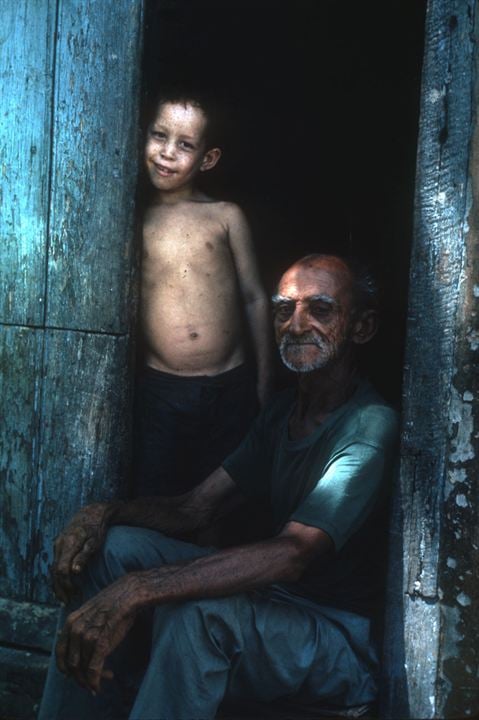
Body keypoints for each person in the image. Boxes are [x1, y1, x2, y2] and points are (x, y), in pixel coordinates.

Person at [39, 254, 399, 720]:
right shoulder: (284, 412)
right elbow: (194, 510)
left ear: (362, 328)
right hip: (272, 605)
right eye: (284, 309)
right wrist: (101, 514)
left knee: (198, 617)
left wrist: (138, 589)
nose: (296, 324)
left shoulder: (370, 425)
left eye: (320, 309)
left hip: (335, 640)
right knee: (113, 547)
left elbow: (293, 553)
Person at [134, 89, 272, 496]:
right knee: (157, 492)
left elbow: (254, 297)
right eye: (159, 135)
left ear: (207, 159)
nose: (166, 153)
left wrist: (264, 380)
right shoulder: (134, 215)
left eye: (185, 144)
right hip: (161, 388)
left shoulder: (225, 216)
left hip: (230, 384)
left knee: (222, 500)